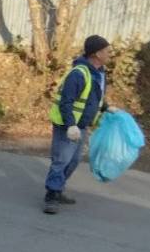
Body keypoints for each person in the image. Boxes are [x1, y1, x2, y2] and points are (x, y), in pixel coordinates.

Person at [44, 35, 116, 214]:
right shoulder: (79, 73)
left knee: (74, 160)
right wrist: (70, 125)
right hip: (68, 126)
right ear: (97, 53)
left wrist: (106, 108)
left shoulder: (99, 72)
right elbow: (66, 102)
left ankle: (58, 188)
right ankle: (51, 196)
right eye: (107, 51)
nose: (109, 54)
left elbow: (92, 98)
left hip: (81, 125)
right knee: (61, 160)